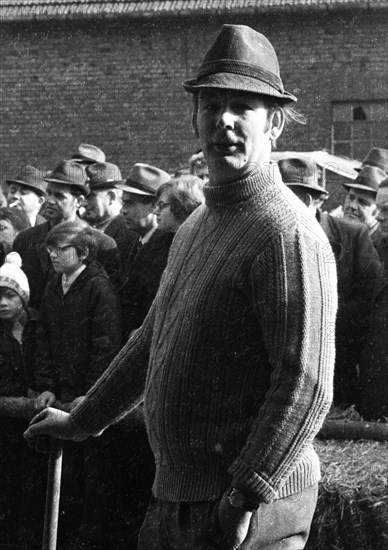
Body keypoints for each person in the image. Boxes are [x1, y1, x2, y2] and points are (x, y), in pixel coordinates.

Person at [25, 24, 337, 550]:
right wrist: (82, 421)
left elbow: (306, 385)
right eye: (211, 105)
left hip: (249, 512)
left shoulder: (286, 234)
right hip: (181, 497)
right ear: (195, 116)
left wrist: (247, 494)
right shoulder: (196, 225)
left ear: (276, 123)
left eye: (244, 106)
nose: (225, 121)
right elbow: (154, 337)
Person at [34, 220, 123, 549]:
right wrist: (46, 384)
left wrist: (91, 392)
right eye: (50, 250)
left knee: (91, 479)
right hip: (60, 395)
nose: (54, 256)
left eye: (61, 249)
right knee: (63, 479)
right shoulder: (53, 284)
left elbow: (106, 345)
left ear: (83, 252)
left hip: (87, 399)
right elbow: (43, 335)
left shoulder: (99, 288)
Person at [278, 157, 380, 407]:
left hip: (337, 362)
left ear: (312, 200)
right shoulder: (270, 234)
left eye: (297, 196)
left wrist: (321, 321)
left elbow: (368, 298)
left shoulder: (352, 235)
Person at [13, 160, 121, 309]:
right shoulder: (25, 240)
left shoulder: (102, 245)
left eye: (59, 196)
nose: (50, 200)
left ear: (79, 201)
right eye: (49, 193)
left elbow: (107, 305)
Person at [0, 253, 48, 548]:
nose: (3, 302)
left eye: (9, 295)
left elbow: (46, 360)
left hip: (33, 417)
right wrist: (24, 392)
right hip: (6, 421)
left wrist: (45, 388)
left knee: (33, 486)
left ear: (23, 297)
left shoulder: (37, 325)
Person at [120, 174, 204, 339]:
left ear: (182, 206)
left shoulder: (203, 246)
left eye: (162, 205)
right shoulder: (151, 249)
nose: (155, 210)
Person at [83, 161, 139, 266]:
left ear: (111, 197)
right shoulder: (88, 226)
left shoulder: (128, 233)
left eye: (91, 197)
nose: (84, 204)